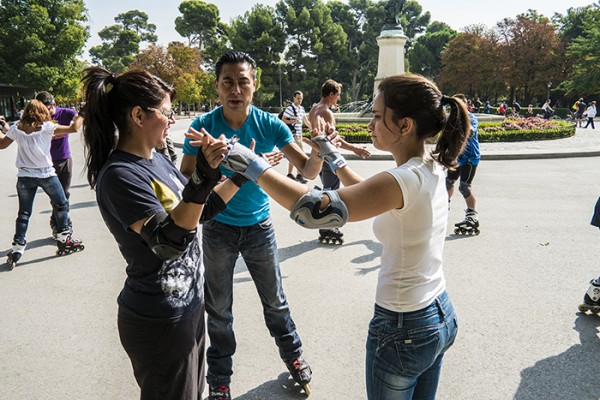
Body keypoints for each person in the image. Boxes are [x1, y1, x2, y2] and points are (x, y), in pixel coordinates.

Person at [206, 73, 466, 399]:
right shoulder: (430, 165)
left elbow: (312, 210)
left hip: (404, 327)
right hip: (438, 313)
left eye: (376, 115)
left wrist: (254, 165)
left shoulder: (402, 179)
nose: (369, 124)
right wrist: (332, 154)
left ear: (405, 125)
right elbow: (368, 192)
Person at [79, 66, 246, 399]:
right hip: (158, 319)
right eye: (167, 114)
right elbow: (167, 242)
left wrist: (243, 175)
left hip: (187, 307)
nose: (172, 122)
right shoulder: (120, 175)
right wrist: (203, 177)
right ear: (139, 115)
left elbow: (202, 209)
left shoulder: (157, 159)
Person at [179, 51, 325, 399]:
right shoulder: (203, 125)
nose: (235, 88)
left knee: (274, 300)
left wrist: (319, 150)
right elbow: (184, 174)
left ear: (254, 85)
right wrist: (206, 165)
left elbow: (307, 171)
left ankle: (293, 355)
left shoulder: (270, 124)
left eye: (243, 81)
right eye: (227, 81)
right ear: (216, 86)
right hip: (217, 227)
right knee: (219, 308)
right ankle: (220, 377)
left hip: (260, 227)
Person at [0, 100, 84, 270]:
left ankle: (17, 247)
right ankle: (64, 238)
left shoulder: (16, 127)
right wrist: (82, 114)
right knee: (61, 204)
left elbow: (2, 144)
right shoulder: (47, 127)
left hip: (25, 176)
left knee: (24, 213)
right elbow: (74, 128)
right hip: (46, 174)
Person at [307, 79, 371, 245]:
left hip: (318, 157)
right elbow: (334, 140)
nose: (339, 99)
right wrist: (355, 149)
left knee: (328, 190)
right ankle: (326, 225)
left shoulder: (314, 108)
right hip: (328, 159)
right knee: (332, 192)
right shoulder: (326, 112)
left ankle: (325, 223)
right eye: (338, 96)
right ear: (331, 94)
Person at [35, 91, 79, 238]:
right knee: (57, 198)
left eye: (47, 109)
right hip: (47, 164)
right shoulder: (38, 118)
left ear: (53, 104)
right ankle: (62, 225)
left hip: (65, 160)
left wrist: (81, 116)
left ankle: (59, 223)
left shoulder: (65, 113)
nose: (44, 113)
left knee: (64, 195)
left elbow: (77, 118)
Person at [447, 93, 481, 235]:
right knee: (448, 183)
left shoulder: (470, 118)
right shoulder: (451, 119)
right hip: (457, 157)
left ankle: (472, 216)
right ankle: (443, 208)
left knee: (464, 187)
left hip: (470, 158)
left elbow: (471, 131)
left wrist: (464, 127)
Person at [283, 90, 311, 183]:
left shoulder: (302, 109)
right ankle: (299, 175)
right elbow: (283, 119)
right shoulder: (290, 108)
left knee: (293, 155)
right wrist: (292, 121)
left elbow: (306, 120)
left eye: (301, 98)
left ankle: (290, 174)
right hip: (293, 134)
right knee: (300, 155)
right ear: (294, 98)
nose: (299, 100)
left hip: (299, 135)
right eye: (298, 98)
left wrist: (313, 128)